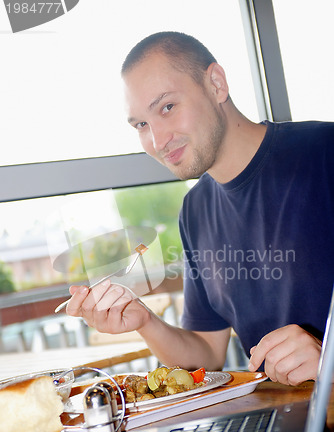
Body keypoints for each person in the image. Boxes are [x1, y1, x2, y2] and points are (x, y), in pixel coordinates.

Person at [65, 31, 334, 386]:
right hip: (285, 420)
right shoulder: (196, 209)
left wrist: (328, 357)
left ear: (216, 84)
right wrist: (146, 321)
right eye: (142, 125)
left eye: (167, 107)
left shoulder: (324, 153)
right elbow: (207, 352)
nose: (158, 141)